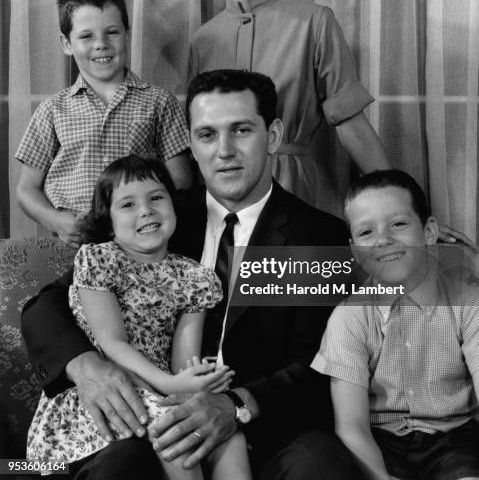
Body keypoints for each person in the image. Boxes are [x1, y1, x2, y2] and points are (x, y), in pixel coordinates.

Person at [22, 70, 358, 479]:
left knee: (321, 466)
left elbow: (322, 361)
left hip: (265, 423)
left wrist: (237, 403)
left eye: (241, 130)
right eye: (206, 135)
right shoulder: (156, 216)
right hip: (155, 416)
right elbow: (46, 306)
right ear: (192, 145)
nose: (224, 151)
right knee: (117, 469)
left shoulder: (317, 235)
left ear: (272, 136)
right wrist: (85, 365)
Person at [27, 154, 250, 480]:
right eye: (127, 205)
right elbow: (111, 342)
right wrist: (169, 384)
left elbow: (182, 360)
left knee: (229, 437)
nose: (146, 210)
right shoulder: (100, 260)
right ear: (109, 221)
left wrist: (195, 381)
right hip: (113, 392)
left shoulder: (193, 276)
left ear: (174, 206)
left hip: (159, 391)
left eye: (156, 197)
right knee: (173, 435)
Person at [186, 0, 390, 217]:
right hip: (223, 206)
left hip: (301, 197)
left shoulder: (315, 22)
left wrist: (400, 206)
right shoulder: (202, 41)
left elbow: (353, 127)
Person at [312, 169, 479, 480]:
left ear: (429, 232)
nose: (383, 241)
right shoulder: (349, 317)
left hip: (455, 439)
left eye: (398, 224)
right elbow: (351, 425)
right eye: (366, 233)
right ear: (353, 250)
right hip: (380, 443)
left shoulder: (468, 304)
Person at [15, 0, 192, 247]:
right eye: (86, 36)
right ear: (66, 43)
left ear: (127, 35)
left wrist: (144, 208)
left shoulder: (159, 101)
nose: (101, 44)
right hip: (75, 243)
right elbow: (26, 189)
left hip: (143, 242)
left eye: (112, 32)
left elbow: (181, 180)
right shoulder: (52, 110)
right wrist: (57, 221)